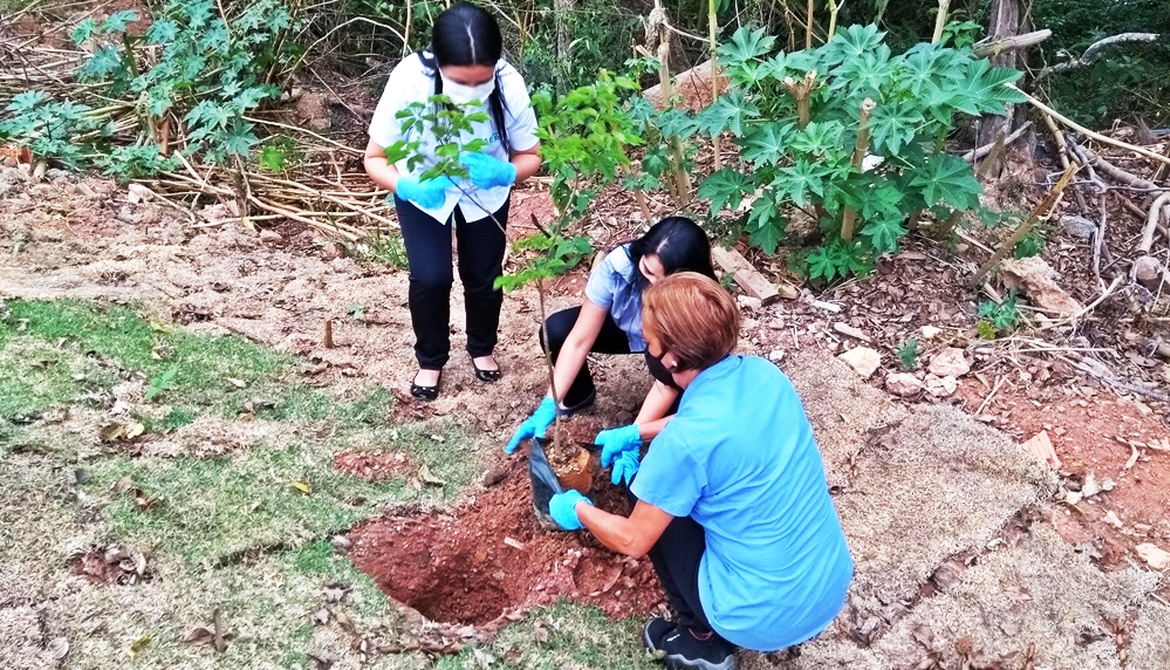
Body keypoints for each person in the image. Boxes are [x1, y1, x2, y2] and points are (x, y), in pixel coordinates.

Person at [547, 272, 853, 670]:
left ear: (672, 359)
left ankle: (700, 640)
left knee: (644, 490)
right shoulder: (765, 375)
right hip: (827, 584)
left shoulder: (684, 444)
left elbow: (633, 540)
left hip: (756, 616)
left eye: (650, 342)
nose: (647, 348)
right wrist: (637, 432)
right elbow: (707, 422)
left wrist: (577, 508)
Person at [364, 3, 541, 400]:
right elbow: (374, 158)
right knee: (431, 277)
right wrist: (405, 186)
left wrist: (506, 173)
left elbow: (531, 154)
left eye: (481, 81)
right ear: (438, 64)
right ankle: (430, 360)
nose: (472, 91)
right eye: (461, 82)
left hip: (485, 191)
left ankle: (482, 347)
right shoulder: (410, 81)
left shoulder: (508, 84)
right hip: (424, 188)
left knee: (484, 275)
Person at [504, 216, 715, 457]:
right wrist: (549, 404)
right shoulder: (618, 266)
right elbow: (579, 341)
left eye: (664, 281)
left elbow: (666, 384)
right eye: (647, 271)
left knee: (682, 413)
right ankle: (578, 395)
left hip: (665, 351)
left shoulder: (698, 304)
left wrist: (634, 435)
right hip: (626, 330)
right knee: (557, 330)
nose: (652, 286)